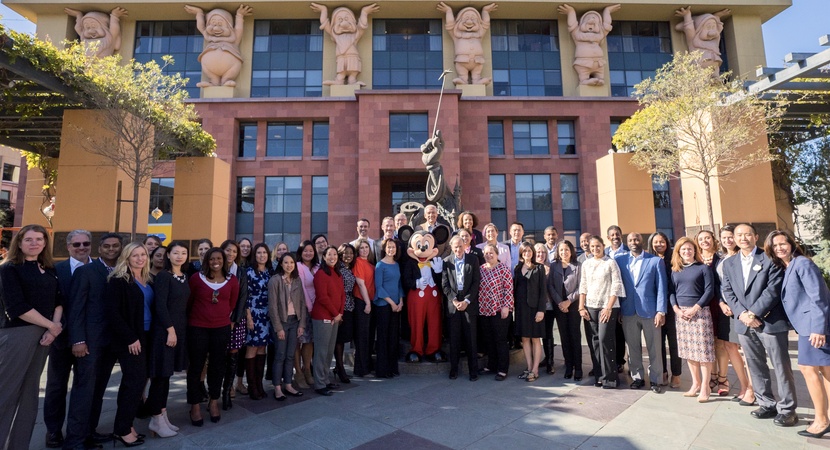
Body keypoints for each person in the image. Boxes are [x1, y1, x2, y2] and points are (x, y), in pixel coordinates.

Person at [722, 224, 797, 426]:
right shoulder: (729, 263)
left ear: (756, 237)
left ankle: (788, 409)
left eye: (747, 234)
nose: (743, 238)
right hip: (745, 325)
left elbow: (773, 289)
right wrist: (742, 314)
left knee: (781, 366)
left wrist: (753, 313)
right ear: (734, 239)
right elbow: (727, 291)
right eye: (739, 235)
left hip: (770, 322)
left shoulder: (770, 258)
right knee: (755, 365)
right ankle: (766, 403)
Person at [0, 225, 62, 450]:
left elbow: (59, 300)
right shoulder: (10, 269)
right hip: (18, 333)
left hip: (45, 335)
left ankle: (18, 446)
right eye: (28, 239)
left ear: (45, 243)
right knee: (5, 394)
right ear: (19, 242)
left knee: (29, 396)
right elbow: (16, 307)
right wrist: (52, 327)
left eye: (39, 239)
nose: (34, 243)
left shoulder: (49, 268)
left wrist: (52, 328)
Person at [767, 230, 830, 438]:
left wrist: (818, 328)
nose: (779, 248)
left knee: (808, 369)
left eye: (782, 243)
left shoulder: (802, 263)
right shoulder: (789, 266)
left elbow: (819, 297)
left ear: (791, 244)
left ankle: (821, 420)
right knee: (825, 371)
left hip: (812, 328)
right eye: (775, 246)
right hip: (808, 326)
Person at [65, 233, 123, 449]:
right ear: (99, 249)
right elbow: (76, 309)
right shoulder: (86, 271)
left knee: (98, 390)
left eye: (115, 246)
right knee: (83, 390)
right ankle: (75, 440)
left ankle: (90, 432)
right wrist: (78, 340)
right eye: (106, 246)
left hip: (111, 343)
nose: (110, 249)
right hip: (89, 341)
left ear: (120, 248)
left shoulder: (122, 272)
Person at [44, 229, 92, 449]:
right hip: (61, 340)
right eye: (77, 244)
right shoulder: (56, 269)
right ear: (69, 247)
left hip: (90, 342)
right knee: (56, 387)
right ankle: (53, 430)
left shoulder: (99, 269)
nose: (82, 247)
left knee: (85, 388)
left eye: (86, 243)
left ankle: (80, 431)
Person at [107, 242, 153, 446]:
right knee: (133, 383)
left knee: (138, 383)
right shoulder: (119, 280)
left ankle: (127, 425)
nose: (140, 258)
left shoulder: (148, 278)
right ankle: (122, 429)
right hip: (131, 339)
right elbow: (113, 314)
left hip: (147, 335)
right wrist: (130, 338)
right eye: (135, 255)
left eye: (143, 254)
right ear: (126, 257)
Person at [187, 247, 239, 426]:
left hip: (221, 328)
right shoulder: (196, 279)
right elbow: (190, 301)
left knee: (217, 366)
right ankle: (194, 405)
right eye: (211, 259)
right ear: (206, 261)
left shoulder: (232, 281)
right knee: (196, 366)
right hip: (198, 328)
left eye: (219, 258)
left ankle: (213, 400)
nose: (215, 261)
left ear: (224, 261)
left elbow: (232, 303)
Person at [145, 241, 190, 439]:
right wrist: (170, 331)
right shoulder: (163, 276)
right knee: (160, 377)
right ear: (168, 256)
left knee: (166, 377)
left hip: (178, 330)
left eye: (183, 253)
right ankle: (155, 419)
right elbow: (160, 306)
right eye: (176, 253)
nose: (180, 256)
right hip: (165, 332)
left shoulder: (183, 277)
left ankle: (163, 416)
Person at [615, 232, 667, 393]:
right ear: (627, 242)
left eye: (636, 239)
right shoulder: (620, 260)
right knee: (633, 347)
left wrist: (661, 311)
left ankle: (655, 380)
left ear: (641, 241)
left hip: (650, 311)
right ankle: (637, 377)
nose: (633, 242)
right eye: (630, 240)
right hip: (628, 311)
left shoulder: (655, 261)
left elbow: (661, 288)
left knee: (654, 347)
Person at [669, 237, 715, 403]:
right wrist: (676, 309)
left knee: (703, 353)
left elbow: (709, 291)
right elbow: (672, 292)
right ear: (678, 253)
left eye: (690, 249)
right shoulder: (675, 270)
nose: (687, 252)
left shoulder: (703, 268)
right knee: (689, 352)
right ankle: (695, 383)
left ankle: (705, 386)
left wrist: (696, 308)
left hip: (700, 314)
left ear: (695, 250)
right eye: (683, 250)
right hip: (681, 314)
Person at [578, 235, 625, 389]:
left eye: (598, 246)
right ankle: (599, 376)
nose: (595, 249)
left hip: (607, 306)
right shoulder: (586, 264)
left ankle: (611, 378)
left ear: (603, 246)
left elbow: (616, 285)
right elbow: (583, 285)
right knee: (595, 342)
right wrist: (581, 306)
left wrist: (609, 307)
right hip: (590, 306)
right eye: (592, 247)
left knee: (605, 340)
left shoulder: (610, 263)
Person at [714, 225, 754, 404]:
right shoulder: (720, 259)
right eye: (724, 238)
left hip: (742, 310)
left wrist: (737, 307)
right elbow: (719, 286)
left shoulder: (744, 257)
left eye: (730, 237)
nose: (728, 241)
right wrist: (722, 303)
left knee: (747, 349)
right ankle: (743, 386)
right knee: (731, 348)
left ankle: (753, 389)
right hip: (726, 310)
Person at [268, 253, 307, 400]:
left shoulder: (297, 280)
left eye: (291, 262)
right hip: (282, 322)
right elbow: (272, 307)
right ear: (281, 264)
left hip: (294, 322)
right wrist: (278, 328)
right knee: (280, 355)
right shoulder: (275, 281)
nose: (289, 265)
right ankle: (277, 387)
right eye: (286, 262)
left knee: (290, 355)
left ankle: (288, 384)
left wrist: (301, 324)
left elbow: (302, 303)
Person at [443, 235, 481, 381]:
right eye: (455, 247)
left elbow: (476, 282)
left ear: (465, 246)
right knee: (454, 339)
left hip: (468, 304)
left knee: (471, 339)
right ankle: (454, 370)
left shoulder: (473, 259)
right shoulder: (447, 262)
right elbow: (445, 284)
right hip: (453, 304)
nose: (458, 249)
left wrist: (466, 300)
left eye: (460, 246)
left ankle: (473, 371)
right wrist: (454, 300)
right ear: (451, 247)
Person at [647, 232, 682, 389]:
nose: (659, 244)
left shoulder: (674, 260)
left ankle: (676, 374)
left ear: (667, 243)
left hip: (672, 307)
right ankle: (663, 372)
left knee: (674, 343)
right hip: (654, 308)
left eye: (662, 241)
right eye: (656, 242)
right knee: (658, 343)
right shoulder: (648, 260)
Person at [312, 246, 346, 396]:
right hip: (323, 317)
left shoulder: (337, 274)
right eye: (329, 255)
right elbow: (322, 298)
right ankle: (319, 384)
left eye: (334, 254)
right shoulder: (320, 274)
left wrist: (340, 313)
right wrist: (335, 313)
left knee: (329, 351)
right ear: (324, 257)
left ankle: (325, 379)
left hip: (335, 318)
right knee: (321, 351)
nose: (332, 257)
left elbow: (342, 295)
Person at [696, 229, 727, 395]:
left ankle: (723, 378)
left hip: (719, 304)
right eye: (701, 239)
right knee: (708, 343)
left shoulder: (721, 258)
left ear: (713, 239)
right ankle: (712, 376)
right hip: (702, 305)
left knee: (720, 343)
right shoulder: (695, 258)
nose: (704, 241)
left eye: (707, 238)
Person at [478, 243, 513, 381]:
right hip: (484, 310)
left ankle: (502, 369)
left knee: (500, 340)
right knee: (489, 340)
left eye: (491, 252)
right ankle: (491, 365)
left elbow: (508, 289)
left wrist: (506, 306)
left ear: (497, 254)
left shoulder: (503, 269)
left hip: (500, 310)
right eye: (486, 253)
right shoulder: (481, 269)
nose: (489, 255)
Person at [548, 240, 583, 381]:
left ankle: (578, 368)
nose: (564, 252)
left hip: (573, 305)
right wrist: (560, 302)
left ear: (571, 251)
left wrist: (568, 301)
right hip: (559, 306)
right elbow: (550, 285)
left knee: (575, 336)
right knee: (564, 336)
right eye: (561, 250)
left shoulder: (578, 266)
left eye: (566, 250)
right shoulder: (553, 265)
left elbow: (581, 286)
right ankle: (569, 366)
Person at [243, 243, 274, 400]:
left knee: (262, 348)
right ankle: (251, 386)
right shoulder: (248, 272)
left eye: (264, 252)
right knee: (252, 348)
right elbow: (245, 296)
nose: (262, 255)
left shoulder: (270, 272)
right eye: (259, 252)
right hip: (253, 313)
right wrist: (248, 317)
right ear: (254, 255)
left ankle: (259, 384)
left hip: (267, 314)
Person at [220, 240, 248, 410]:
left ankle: (228, 388)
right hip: (216, 320)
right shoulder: (215, 269)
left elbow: (243, 297)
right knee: (218, 355)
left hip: (235, 320)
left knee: (233, 355)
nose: (230, 254)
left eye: (234, 252)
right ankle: (216, 390)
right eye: (228, 250)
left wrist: (233, 320)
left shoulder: (241, 272)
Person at [514, 242, 547, 382]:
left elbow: (542, 291)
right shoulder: (517, 268)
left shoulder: (539, 268)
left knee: (535, 338)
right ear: (521, 253)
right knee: (525, 338)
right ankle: (528, 368)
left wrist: (541, 310)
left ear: (532, 252)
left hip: (535, 309)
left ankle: (535, 369)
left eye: (529, 250)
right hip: (521, 309)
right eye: (525, 251)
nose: (527, 253)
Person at [374, 238, 404, 379]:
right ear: (385, 249)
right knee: (383, 337)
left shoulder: (397, 265)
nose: (391, 249)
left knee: (393, 337)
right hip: (384, 306)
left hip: (397, 306)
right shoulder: (380, 266)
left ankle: (392, 367)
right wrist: (392, 303)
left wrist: (401, 301)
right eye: (389, 247)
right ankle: (382, 369)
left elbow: (399, 285)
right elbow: (379, 287)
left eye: (393, 247)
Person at [294, 240, 318, 389]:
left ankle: (307, 369)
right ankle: (298, 373)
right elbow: (301, 288)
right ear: (300, 253)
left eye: (311, 250)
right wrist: (310, 308)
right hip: (301, 308)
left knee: (309, 341)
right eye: (305, 251)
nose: (308, 253)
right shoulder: (298, 266)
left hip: (316, 309)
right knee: (298, 341)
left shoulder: (317, 267)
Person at [605, 225, 628, 373]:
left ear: (621, 235)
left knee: (620, 333)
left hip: (622, 297)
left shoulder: (628, 252)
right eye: (612, 235)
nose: (615, 237)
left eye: (617, 234)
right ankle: (610, 360)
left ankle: (620, 360)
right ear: (608, 238)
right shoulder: (604, 252)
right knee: (609, 332)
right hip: (607, 298)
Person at [352, 238, 375, 378]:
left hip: (370, 302)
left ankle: (367, 366)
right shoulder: (358, 263)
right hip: (362, 302)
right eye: (362, 248)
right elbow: (360, 284)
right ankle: (361, 370)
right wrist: (367, 303)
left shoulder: (371, 264)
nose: (364, 250)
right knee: (362, 337)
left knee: (368, 336)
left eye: (366, 247)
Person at [334, 244, 357, 383]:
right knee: (339, 340)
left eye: (350, 253)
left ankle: (339, 366)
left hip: (350, 306)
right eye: (345, 253)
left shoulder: (350, 268)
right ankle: (340, 367)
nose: (348, 255)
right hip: (341, 306)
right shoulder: (338, 269)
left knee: (344, 338)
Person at [534, 242, 556, 375]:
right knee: (537, 335)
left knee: (548, 334)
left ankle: (550, 362)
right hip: (534, 307)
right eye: (538, 253)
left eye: (543, 252)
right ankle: (538, 360)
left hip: (549, 306)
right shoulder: (531, 267)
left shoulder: (551, 267)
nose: (541, 254)